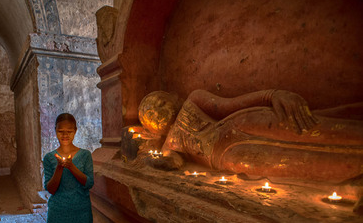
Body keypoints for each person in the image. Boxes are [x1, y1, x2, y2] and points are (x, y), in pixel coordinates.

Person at [151, 89, 363, 184]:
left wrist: (271, 95)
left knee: (314, 129)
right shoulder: (171, 141)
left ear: (172, 96)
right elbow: (171, 160)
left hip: (242, 124)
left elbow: (229, 104)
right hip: (232, 158)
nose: (157, 111)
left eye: (158, 102)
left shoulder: (193, 100)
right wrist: (161, 160)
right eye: (149, 114)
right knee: (308, 164)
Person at [43, 113, 94, 223]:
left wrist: (71, 166)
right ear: (55, 131)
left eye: (69, 131)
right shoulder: (50, 158)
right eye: (60, 131)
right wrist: (59, 167)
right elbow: (50, 189)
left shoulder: (85, 155)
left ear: (75, 131)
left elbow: (88, 183)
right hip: (59, 214)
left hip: (80, 213)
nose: (65, 135)